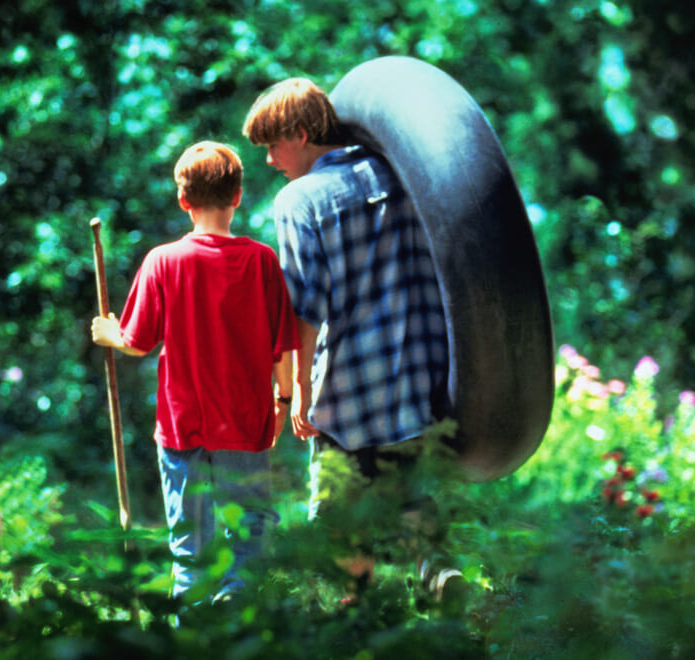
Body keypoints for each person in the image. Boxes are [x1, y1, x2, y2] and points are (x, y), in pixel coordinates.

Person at [242, 78, 456, 596]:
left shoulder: (299, 200)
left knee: (339, 518)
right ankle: (440, 572)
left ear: (300, 132)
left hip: (349, 387)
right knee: (406, 493)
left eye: (273, 146)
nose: (270, 161)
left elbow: (306, 306)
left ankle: (350, 620)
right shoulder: (400, 174)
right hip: (418, 375)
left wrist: (298, 394)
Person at [91, 141, 300, 602]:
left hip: (183, 428)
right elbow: (282, 347)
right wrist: (284, 402)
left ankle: (195, 637)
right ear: (238, 196)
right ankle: (236, 618)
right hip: (245, 425)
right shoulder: (262, 261)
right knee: (252, 535)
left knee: (190, 549)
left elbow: (137, 342)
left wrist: (110, 333)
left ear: (183, 200)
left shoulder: (163, 261)